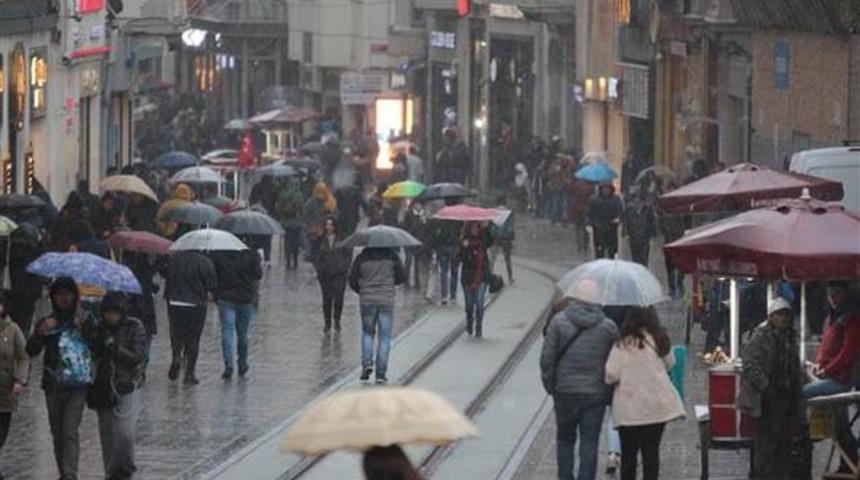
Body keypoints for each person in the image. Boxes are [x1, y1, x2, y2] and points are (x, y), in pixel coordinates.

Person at [540, 280, 618, 480]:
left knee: (565, 440)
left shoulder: (558, 322)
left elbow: (546, 360)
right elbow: (615, 362)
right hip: (595, 394)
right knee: (589, 442)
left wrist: (552, 387)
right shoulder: (608, 327)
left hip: (564, 391)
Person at [605, 306, 685, 480]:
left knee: (629, 456)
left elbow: (611, 374)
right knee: (651, 454)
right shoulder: (659, 339)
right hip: (656, 407)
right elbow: (670, 363)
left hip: (629, 409)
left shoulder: (622, 344)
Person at [737, 298, 810, 480]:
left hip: (788, 398)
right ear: (771, 316)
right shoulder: (760, 336)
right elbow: (751, 365)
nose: (783, 318)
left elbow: (793, 364)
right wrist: (766, 387)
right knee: (767, 446)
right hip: (767, 400)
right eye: (779, 314)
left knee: (784, 444)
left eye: (786, 314)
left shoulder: (789, 337)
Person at [26, 277, 92, 480]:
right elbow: (31, 350)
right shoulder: (48, 321)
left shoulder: (84, 318)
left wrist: (85, 327)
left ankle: (70, 475)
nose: (64, 298)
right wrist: (39, 332)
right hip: (53, 383)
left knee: (70, 431)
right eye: (59, 293)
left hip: (78, 384)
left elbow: (98, 344)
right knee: (57, 432)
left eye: (68, 293)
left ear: (74, 295)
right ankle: (64, 473)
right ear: (53, 297)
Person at [86, 292, 147, 480]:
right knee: (108, 435)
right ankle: (111, 473)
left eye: (115, 313)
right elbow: (90, 355)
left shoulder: (134, 327)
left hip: (127, 384)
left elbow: (138, 357)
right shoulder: (98, 328)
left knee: (125, 433)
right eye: (107, 313)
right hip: (102, 387)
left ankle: (126, 469)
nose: (111, 317)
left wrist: (115, 348)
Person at [803, 281, 860, 468]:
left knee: (801, 393)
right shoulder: (832, 317)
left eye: (836, 294)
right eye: (830, 295)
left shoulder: (850, 319)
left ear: (845, 295)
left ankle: (804, 437)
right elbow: (825, 346)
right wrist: (818, 364)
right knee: (841, 426)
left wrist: (827, 369)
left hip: (839, 380)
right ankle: (848, 464)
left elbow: (847, 353)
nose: (833, 298)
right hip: (829, 375)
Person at [348, 245, 406, 385]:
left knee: (367, 333)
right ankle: (381, 373)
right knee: (384, 337)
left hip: (367, 300)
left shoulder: (361, 258)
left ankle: (367, 363)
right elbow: (402, 276)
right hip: (386, 300)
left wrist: (363, 290)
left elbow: (352, 280)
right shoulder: (392, 256)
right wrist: (390, 282)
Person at [166, 249, 217, 384]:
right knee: (193, 338)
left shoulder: (174, 258)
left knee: (176, 334)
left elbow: (167, 277)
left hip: (175, 302)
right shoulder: (204, 261)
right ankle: (190, 373)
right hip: (196, 304)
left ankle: (176, 357)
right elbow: (212, 284)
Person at [212, 246, 262, 379]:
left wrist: (216, 295)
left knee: (227, 332)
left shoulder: (220, 254)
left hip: (226, 298)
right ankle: (242, 363)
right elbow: (259, 275)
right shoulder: (252, 254)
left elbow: (214, 275)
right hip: (245, 299)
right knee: (242, 333)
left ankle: (229, 365)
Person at [0, 294, 28, 479]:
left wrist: (19, 380)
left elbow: (23, 356)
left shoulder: (13, 329)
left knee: (2, 433)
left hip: (5, 393)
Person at [312, 217, 352, 333]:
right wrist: (319, 268)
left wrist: (345, 266)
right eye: (327, 225)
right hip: (325, 274)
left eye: (330, 225)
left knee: (339, 298)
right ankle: (327, 322)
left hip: (340, 274)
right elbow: (314, 254)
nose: (328, 227)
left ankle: (337, 321)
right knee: (327, 299)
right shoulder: (320, 240)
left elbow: (348, 254)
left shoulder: (342, 239)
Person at [457, 222, 492, 337]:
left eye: (477, 227)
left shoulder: (483, 241)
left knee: (480, 303)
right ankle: (469, 322)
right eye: (472, 228)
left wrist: (487, 227)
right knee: (469, 304)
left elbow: (490, 241)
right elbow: (458, 258)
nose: (475, 230)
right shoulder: (465, 242)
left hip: (481, 276)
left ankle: (479, 327)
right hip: (467, 277)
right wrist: (462, 245)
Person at [8, 224, 43, 335]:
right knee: (24, 325)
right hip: (28, 296)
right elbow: (37, 278)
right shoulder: (35, 253)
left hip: (10, 294)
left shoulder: (10, 250)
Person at [658, 182, 686, 298]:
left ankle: (679, 283)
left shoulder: (682, 204)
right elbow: (660, 223)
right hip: (668, 240)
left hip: (680, 239)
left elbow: (686, 221)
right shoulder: (663, 205)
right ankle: (672, 287)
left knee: (681, 264)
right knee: (670, 265)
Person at [586, 183, 623, 259]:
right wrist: (590, 223)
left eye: (607, 189)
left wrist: (618, 218)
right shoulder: (594, 199)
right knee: (599, 250)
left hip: (611, 227)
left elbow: (620, 211)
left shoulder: (615, 199)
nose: (606, 190)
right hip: (598, 228)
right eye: (604, 189)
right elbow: (589, 213)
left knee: (612, 250)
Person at [429, 218, 461, 305]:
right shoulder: (458, 221)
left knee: (444, 272)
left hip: (442, 248)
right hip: (454, 248)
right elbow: (460, 235)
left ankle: (444, 296)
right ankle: (453, 296)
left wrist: (435, 248)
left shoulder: (440, 220)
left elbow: (435, 236)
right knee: (454, 272)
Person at [277, 178, 306, 270]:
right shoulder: (299, 194)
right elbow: (302, 209)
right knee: (295, 242)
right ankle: (295, 261)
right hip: (297, 222)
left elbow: (279, 208)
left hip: (286, 222)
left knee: (287, 241)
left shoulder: (283, 194)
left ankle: (288, 261)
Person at [305, 182, 338, 261]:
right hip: (318, 229)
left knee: (319, 247)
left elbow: (306, 215)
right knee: (317, 247)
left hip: (322, 228)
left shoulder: (329, 201)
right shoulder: (329, 200)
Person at [402, 200, 431, 290]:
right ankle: (406, 280)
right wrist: (417, 223)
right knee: (409, 260)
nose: (419, 207)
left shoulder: (424, 215)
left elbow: (427, 229)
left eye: (420, 205)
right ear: (414, 205)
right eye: (417, 205)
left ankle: (417, 282)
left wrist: (425, 222)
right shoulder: (408, 214)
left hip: (419, 242)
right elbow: (406, 228)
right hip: (408, 240)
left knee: (417, 262)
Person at [623, 187, 656, 267]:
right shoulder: (629, 210)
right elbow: (626, 222)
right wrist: (626, 233)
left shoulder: (647, 210)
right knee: (635, 258)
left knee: (644, 258)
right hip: (633, 237)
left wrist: (652, 233)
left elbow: (652, 222)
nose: (636, 201)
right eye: (635, 199)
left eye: (638, 199)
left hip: (644, 238)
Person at [489, 196, 515, 284]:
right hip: (506, 239)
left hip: (495, 238)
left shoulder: (493, 212)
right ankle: (510, 277)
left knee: (492, 258)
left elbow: (490, 226)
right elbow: (511, 227)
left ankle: (489, 274)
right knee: (507, 259)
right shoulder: (509, 213)